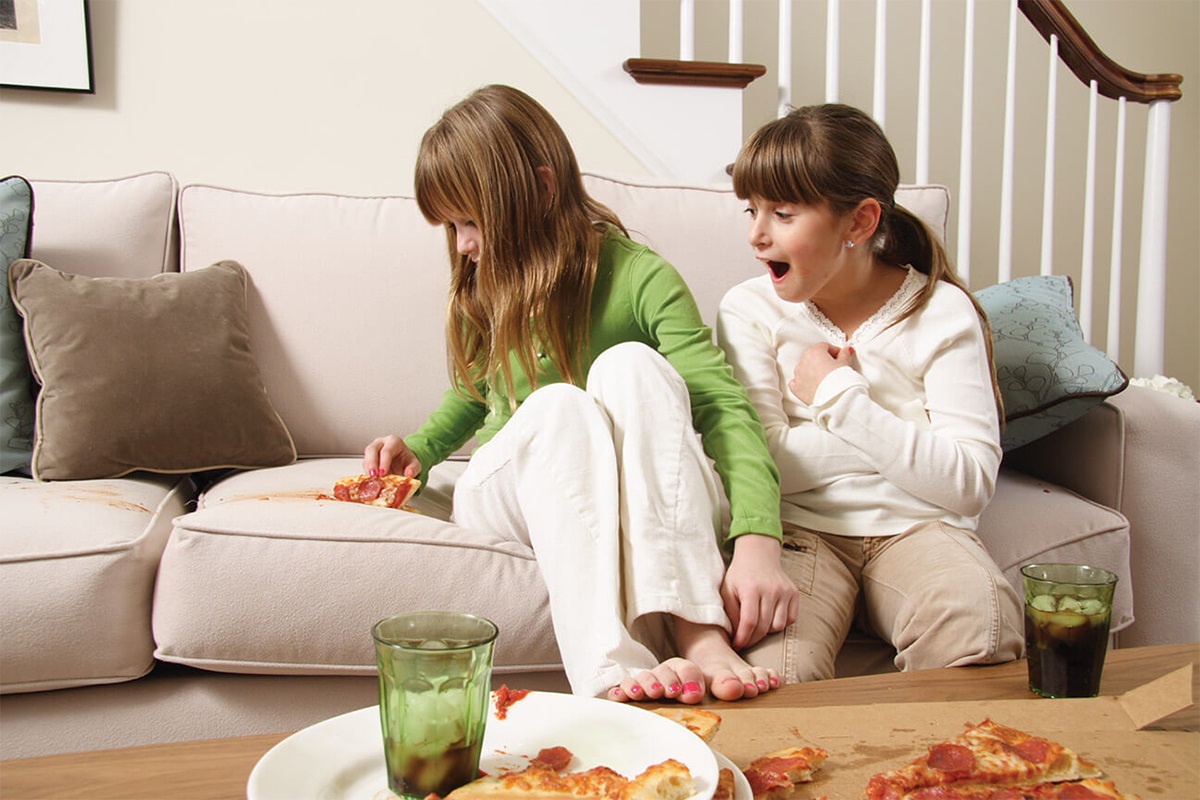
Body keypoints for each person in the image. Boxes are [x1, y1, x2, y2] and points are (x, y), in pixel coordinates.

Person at [363, 84, 799, 703]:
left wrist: (758, 538)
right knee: (560, 405)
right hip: (508, 487)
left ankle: (698, 632)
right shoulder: (480, 286)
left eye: (470, 221)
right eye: (453, 226)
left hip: (636, 486)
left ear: (541, 190)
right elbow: (472, 394)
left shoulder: (640, 275)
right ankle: (608, 667)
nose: (461, 244)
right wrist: (420, 448)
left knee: (631, 366)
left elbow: (721, 405)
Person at [717, 103, 1023, 682]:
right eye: (752, 211)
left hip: (918, 531)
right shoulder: (747, 310)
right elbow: (759, 464)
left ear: (859, 223)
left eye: (782, 214)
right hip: (799, 533)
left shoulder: (942, 312)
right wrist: (910, 442)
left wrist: (837, 400)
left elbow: (968, 485)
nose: (757, 235)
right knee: (772, 673)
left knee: (978, 619)